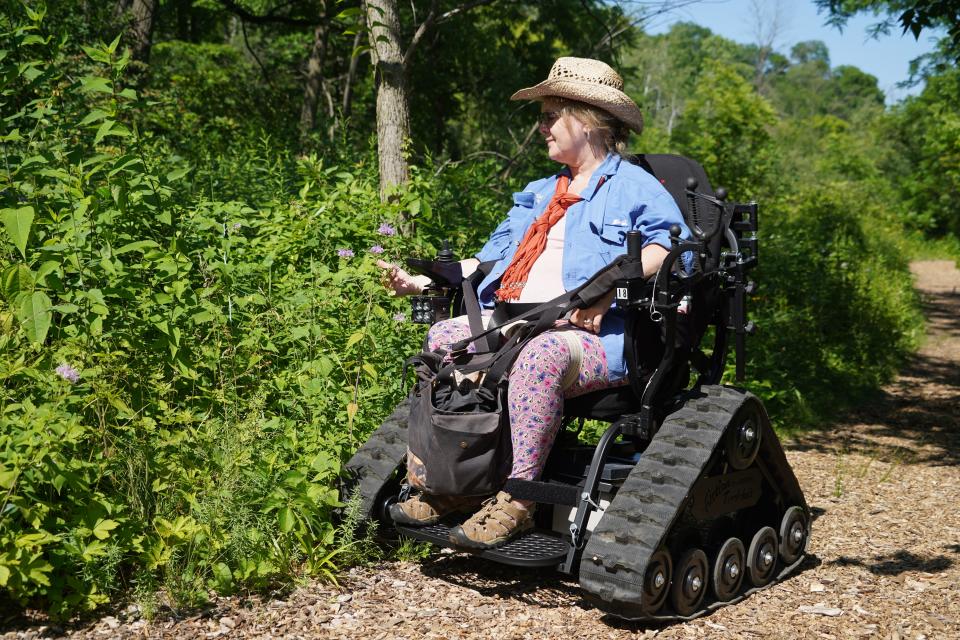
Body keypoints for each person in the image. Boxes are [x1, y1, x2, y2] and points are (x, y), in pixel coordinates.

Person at [377, 57, 691, 549]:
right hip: (517, 323)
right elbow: (486, 261)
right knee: (443, 339)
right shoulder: (541, 194)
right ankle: (456, 484)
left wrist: (608, 287)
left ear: (586, 121)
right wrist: (419, 281)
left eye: (549, 116)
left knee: (539, 357)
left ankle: (519, 499)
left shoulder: (634, 187)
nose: (540, 127)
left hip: (592, 337)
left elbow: (671, 247)